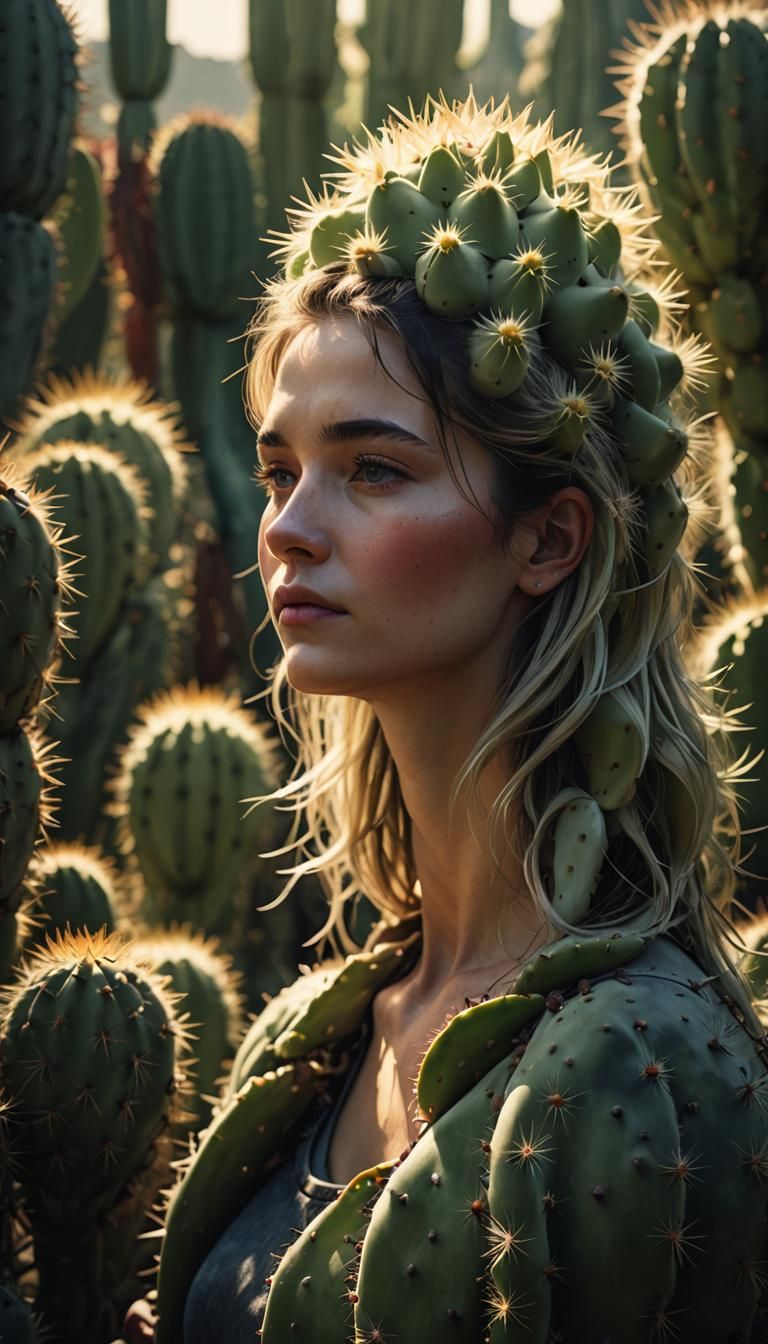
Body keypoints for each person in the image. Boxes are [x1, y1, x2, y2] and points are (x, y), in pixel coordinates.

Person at [124, 92, 768, 1344]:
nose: (288, 529)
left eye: (373, 469)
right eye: (279, 470)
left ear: (548, 536)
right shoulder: (322, 1027)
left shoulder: (642, 1062)